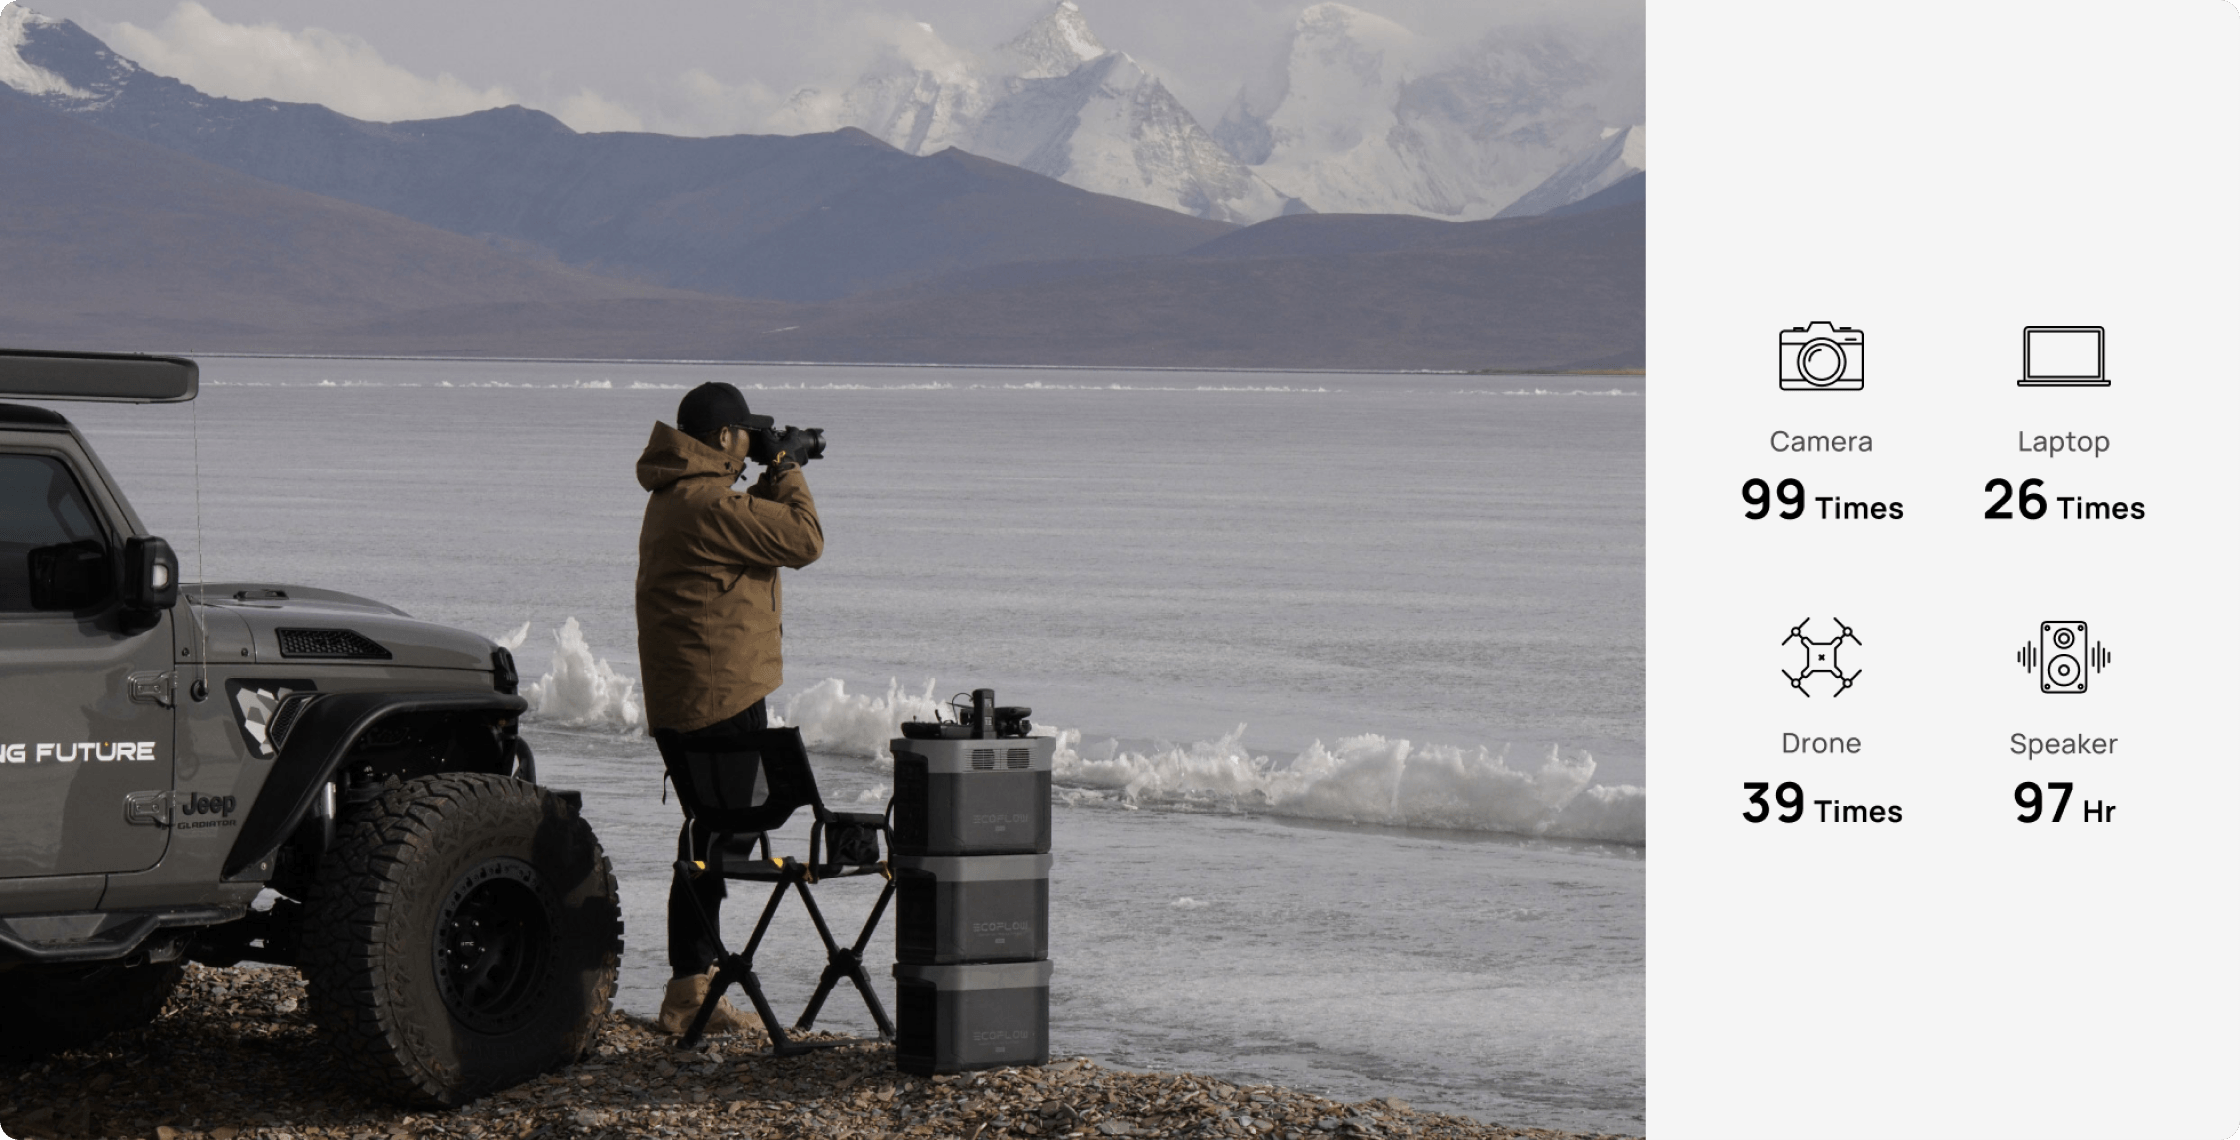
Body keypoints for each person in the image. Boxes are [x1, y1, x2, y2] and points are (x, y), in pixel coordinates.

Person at [634, 381, 824, 1035]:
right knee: (723, 834)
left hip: (688, 693)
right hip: (720, 695)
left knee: (709, 834)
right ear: (722, 438)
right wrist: (787, 466)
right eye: (747, 433)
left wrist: (772, 469)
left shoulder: (680, 497)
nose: (752, 444)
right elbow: (802, 540)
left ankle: (693, 985)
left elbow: (754, 535)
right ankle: (690, 989)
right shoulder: (707, 501)